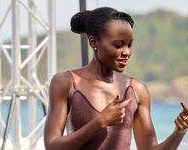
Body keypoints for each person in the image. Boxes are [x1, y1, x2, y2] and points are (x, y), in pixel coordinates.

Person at [44, 7, 188, 150]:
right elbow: (52, 146)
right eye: (118, 45)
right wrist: (100, 122)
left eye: (129, 45)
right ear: (93, 42)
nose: (126, 52)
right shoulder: (66, 82)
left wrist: (179, 132)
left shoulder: (137, 89)